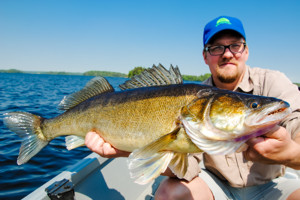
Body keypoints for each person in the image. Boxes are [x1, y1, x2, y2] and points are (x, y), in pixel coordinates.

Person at [85, 16, 300, 199]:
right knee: (169, 192)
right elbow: (187, 168)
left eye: (235, 45)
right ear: (205, 56)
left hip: (272, 187)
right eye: (216, 48)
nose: (226, 53)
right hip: (217, 186)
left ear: (245, 51)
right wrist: (127, 150)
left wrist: (290, 155)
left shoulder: (273, 83)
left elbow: (296, 125)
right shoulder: (196, 99)